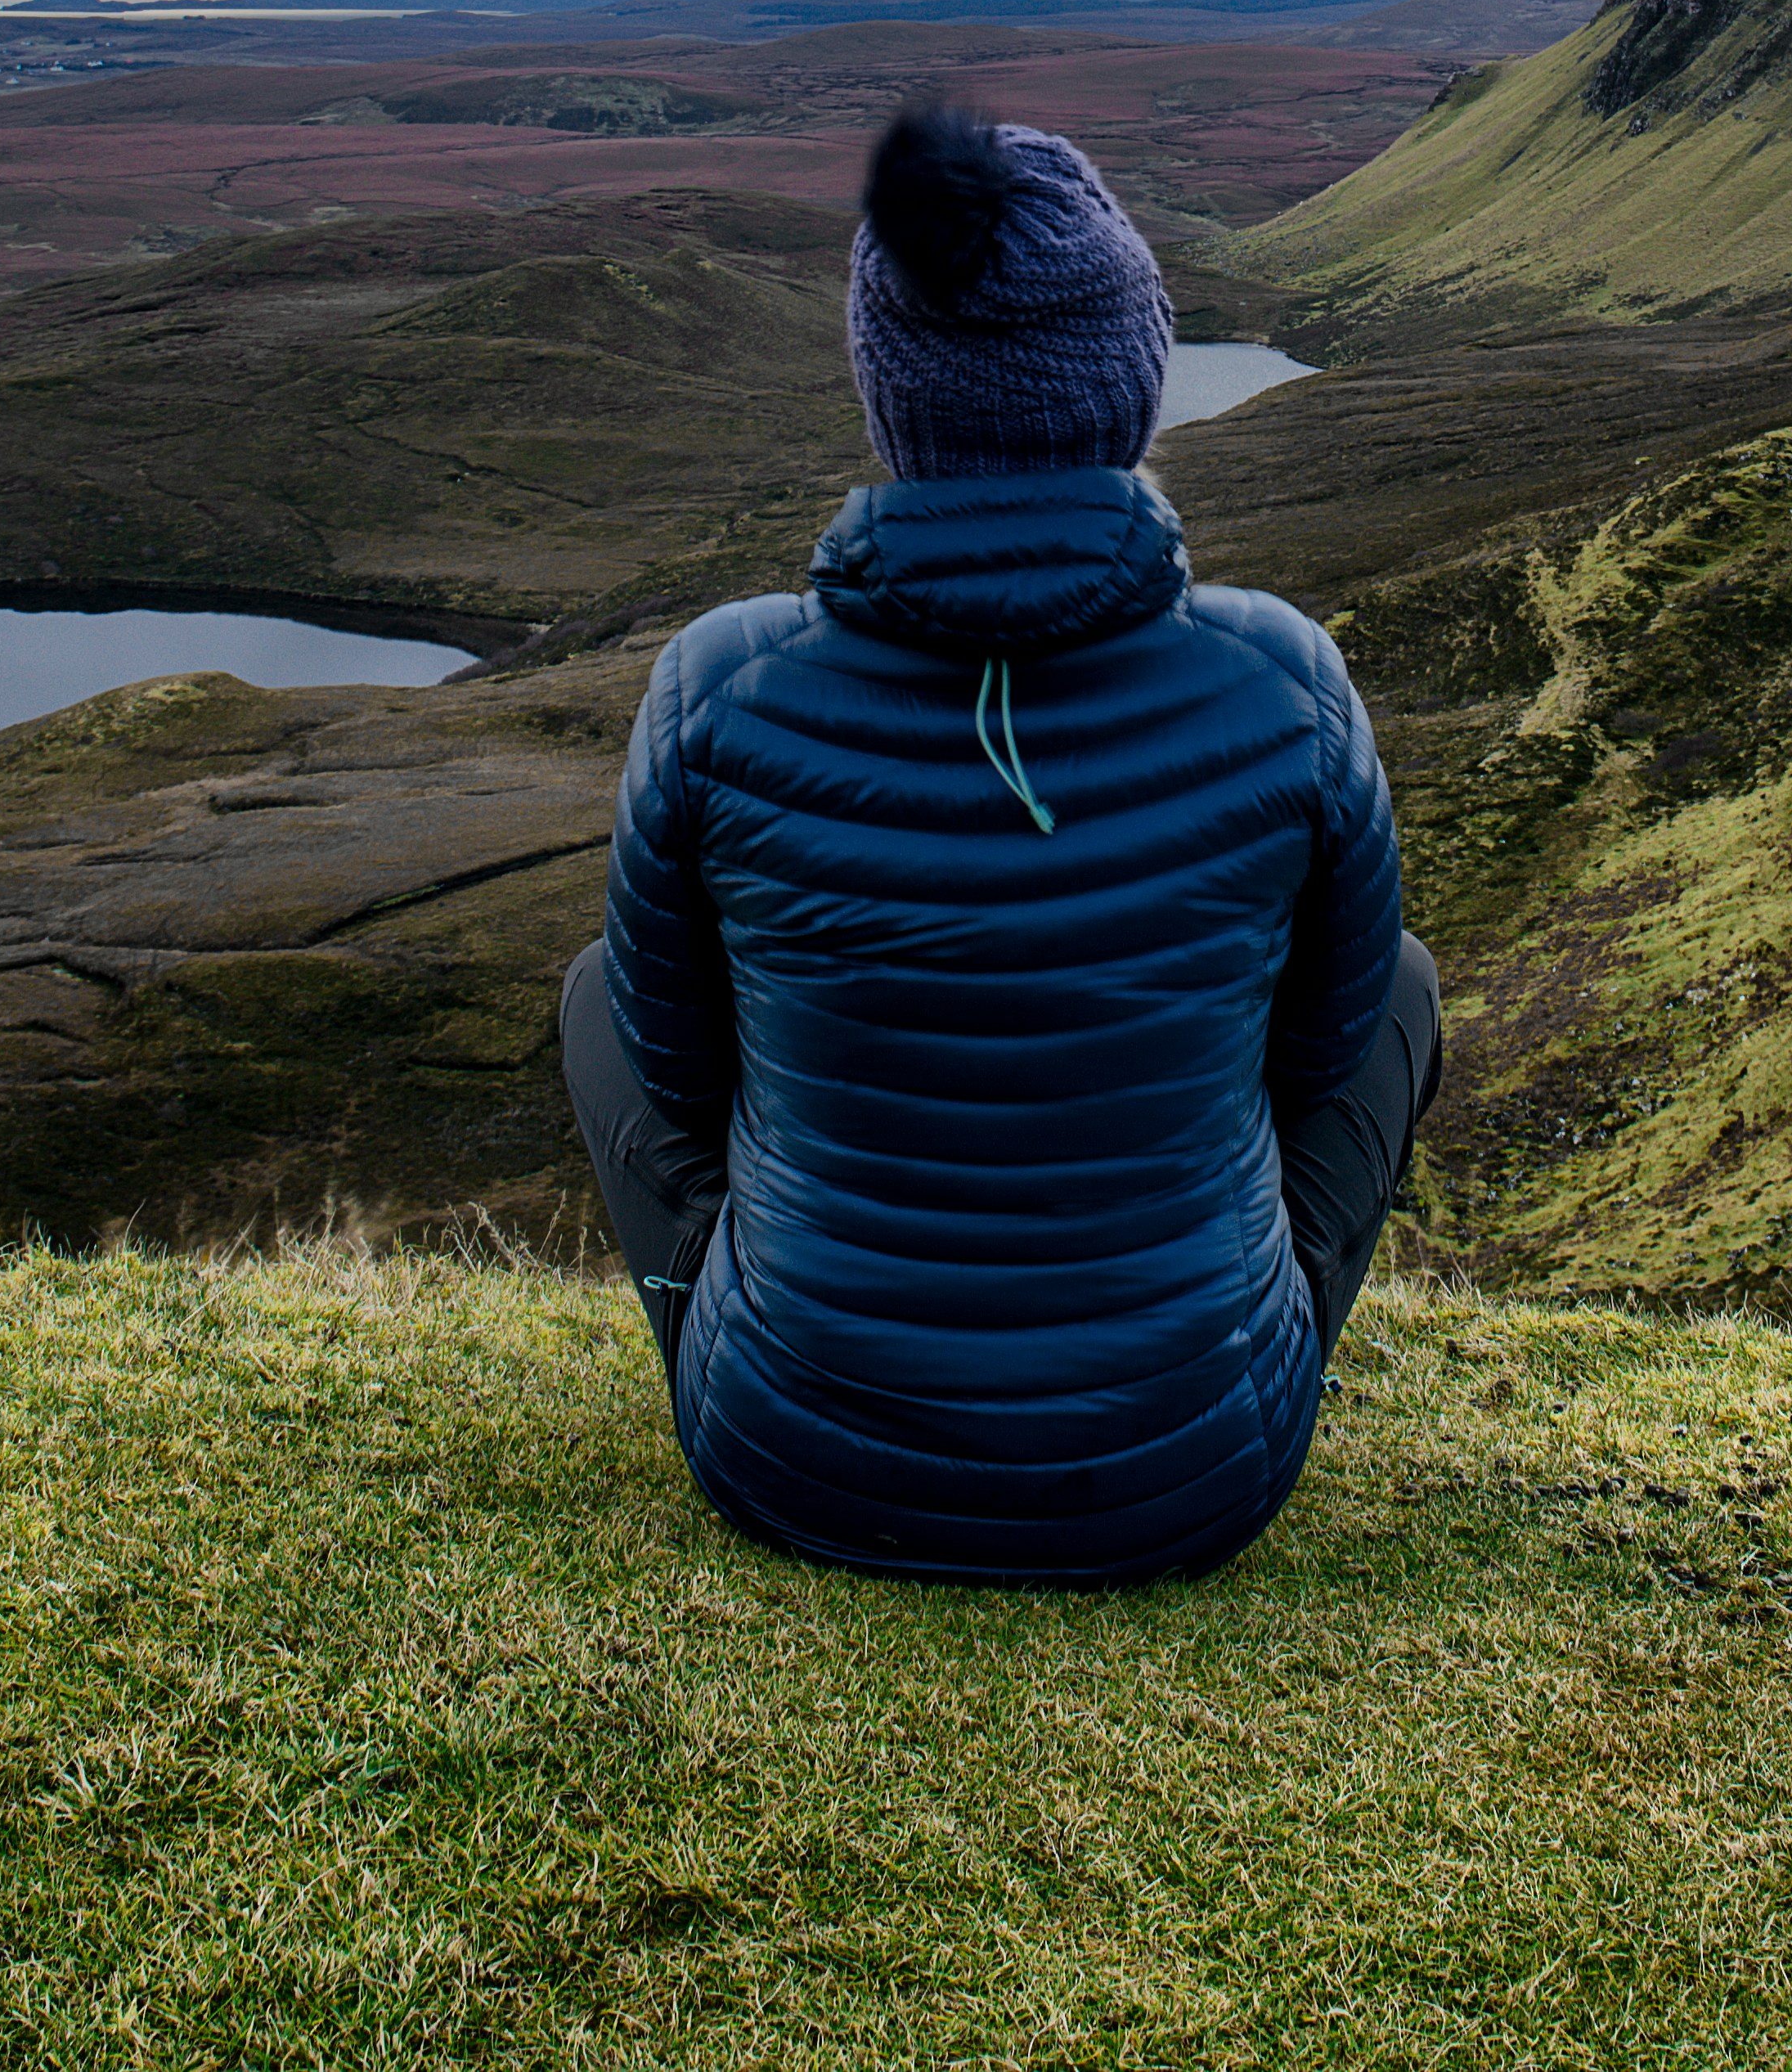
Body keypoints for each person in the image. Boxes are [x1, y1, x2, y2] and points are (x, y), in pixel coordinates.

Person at [560, 101, 1439, 1587]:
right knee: (1398, 985)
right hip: (1195, 1472)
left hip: (791, 1455)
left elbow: (676, 1067)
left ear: (890, 396)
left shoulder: (721, 682)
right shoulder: (1283, 678)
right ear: (1134, 380)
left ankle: (780, 1331)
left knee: (602, 993)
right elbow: (1319, 1053)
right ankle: (1206, 1353)